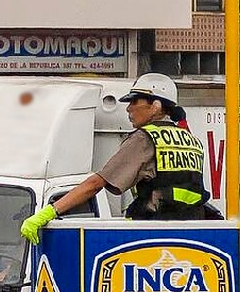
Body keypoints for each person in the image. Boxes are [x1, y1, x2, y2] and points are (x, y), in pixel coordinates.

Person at [21, 73, 214, 243]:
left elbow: (97, 183)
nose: (128, 108)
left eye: (135, 101)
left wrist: (50, 212)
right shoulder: (191, 139)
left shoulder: (145, 138)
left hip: (153, 234)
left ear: (156, 106)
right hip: (192, 234)